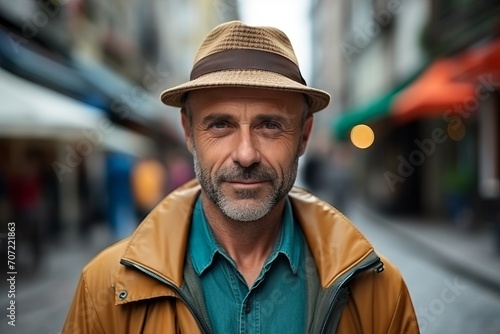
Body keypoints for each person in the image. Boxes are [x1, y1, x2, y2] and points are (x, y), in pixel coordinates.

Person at [63, 20, 419, 333]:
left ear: (304, 136)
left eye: (270, 125)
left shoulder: (378, 291)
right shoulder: (104, 289)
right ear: (189, 132)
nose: (246, 154)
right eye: (220, 124)